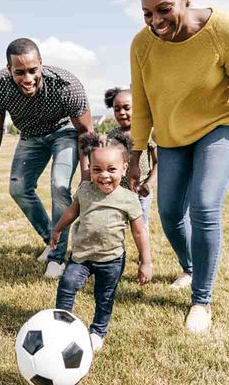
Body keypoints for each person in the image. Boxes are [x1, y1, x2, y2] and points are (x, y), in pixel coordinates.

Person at [114, 0, 229, 333]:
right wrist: (136, 156)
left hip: (220, 127)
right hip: (171, 138)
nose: (156, 21)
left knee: (203, 205)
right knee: (169, 213)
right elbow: (142, 106)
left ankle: (202, 300)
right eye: (147, 14)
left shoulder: (224, 30)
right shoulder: (141, 45)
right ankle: (190, 267)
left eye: (164, 10)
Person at [0, 38, 93, 279]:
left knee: (60, 186)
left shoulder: (66, 84)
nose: (27, 78)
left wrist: (87, 174)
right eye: (19, 72)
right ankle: (52, 240)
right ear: (9, 70)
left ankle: (57, 259)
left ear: (41, 64)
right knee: (18, 188)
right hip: (29, 136)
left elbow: (85, 131)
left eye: (32, 70)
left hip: (64, 132)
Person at [51, 132, 153, 351]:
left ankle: (97, 331)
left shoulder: (128, 198)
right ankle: (61, 325)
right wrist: (58, 229)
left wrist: (146, 262)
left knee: (104, 297)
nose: (104, 175)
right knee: (67, 285)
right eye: (97, 170)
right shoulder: (85, 190)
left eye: (111, 169)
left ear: (124, 169)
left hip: (111, 259)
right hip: (82, 256)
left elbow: (139, 232)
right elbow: (72, 212)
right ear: (89, 168)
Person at [105, 87, 157, 227]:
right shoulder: (113, 135)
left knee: (140, 226)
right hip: (119, 191)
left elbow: (158, 162)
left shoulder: (146, 133)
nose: (121, 113)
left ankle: (143, 249)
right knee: (116, 225)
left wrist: (149, 184)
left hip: (141, 190)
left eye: (127, 108)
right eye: (117, 109)